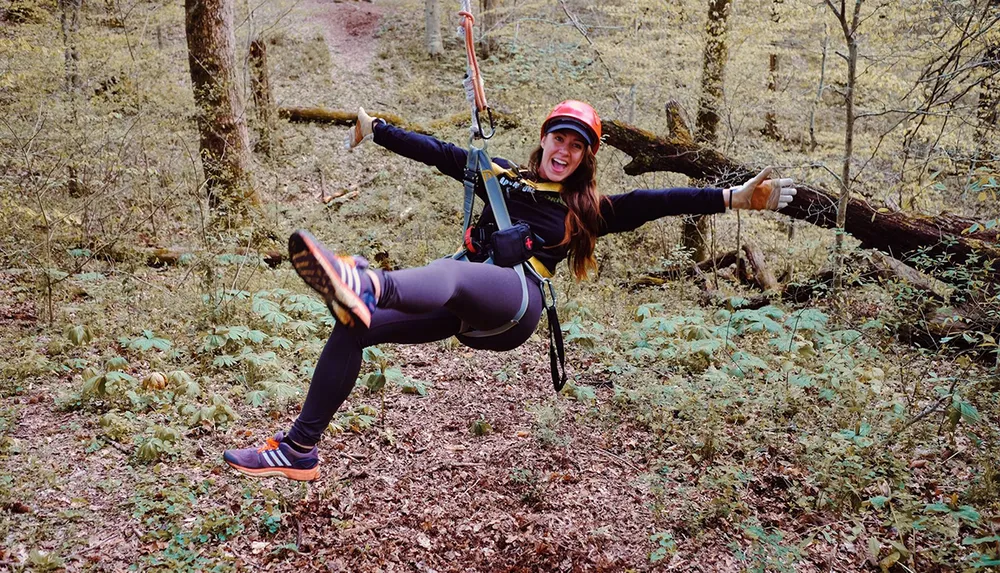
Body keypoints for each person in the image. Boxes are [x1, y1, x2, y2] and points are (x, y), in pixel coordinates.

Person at [223, 100, 796, 481]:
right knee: (352, 325)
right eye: (558, 138)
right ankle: (299, 448)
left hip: (514, 305)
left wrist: (732, 197)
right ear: (543, 139)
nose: (564, 150)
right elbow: (440, 153)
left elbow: (659, 201)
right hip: (460, 306)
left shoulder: (590, 209)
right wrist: (377, 131)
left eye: (576, 145)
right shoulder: (497, 172)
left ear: (586, 157)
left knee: (449, 275)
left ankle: (367, 281)